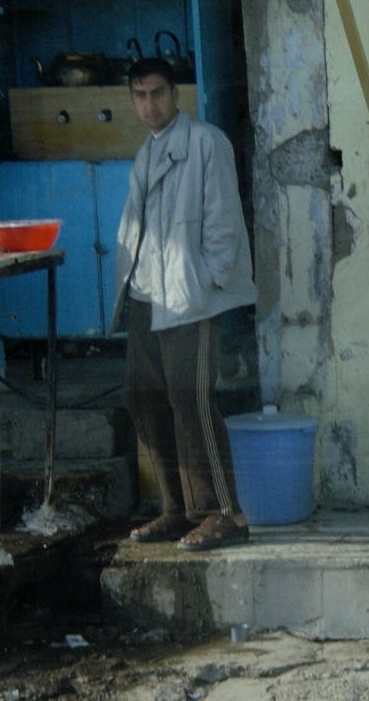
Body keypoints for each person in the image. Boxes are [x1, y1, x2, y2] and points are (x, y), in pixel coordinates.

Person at [109, 58, 257, 551]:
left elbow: (223, 219)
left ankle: (225, 514)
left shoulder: (205, 142)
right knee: (143, 398)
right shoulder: (146, 152)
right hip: (147, 296)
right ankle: (176, 508)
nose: (148, 105)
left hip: (189, 298)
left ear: (176, 94)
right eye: (139, 96)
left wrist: (208, 281)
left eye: (156, 94)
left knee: (191, 400)